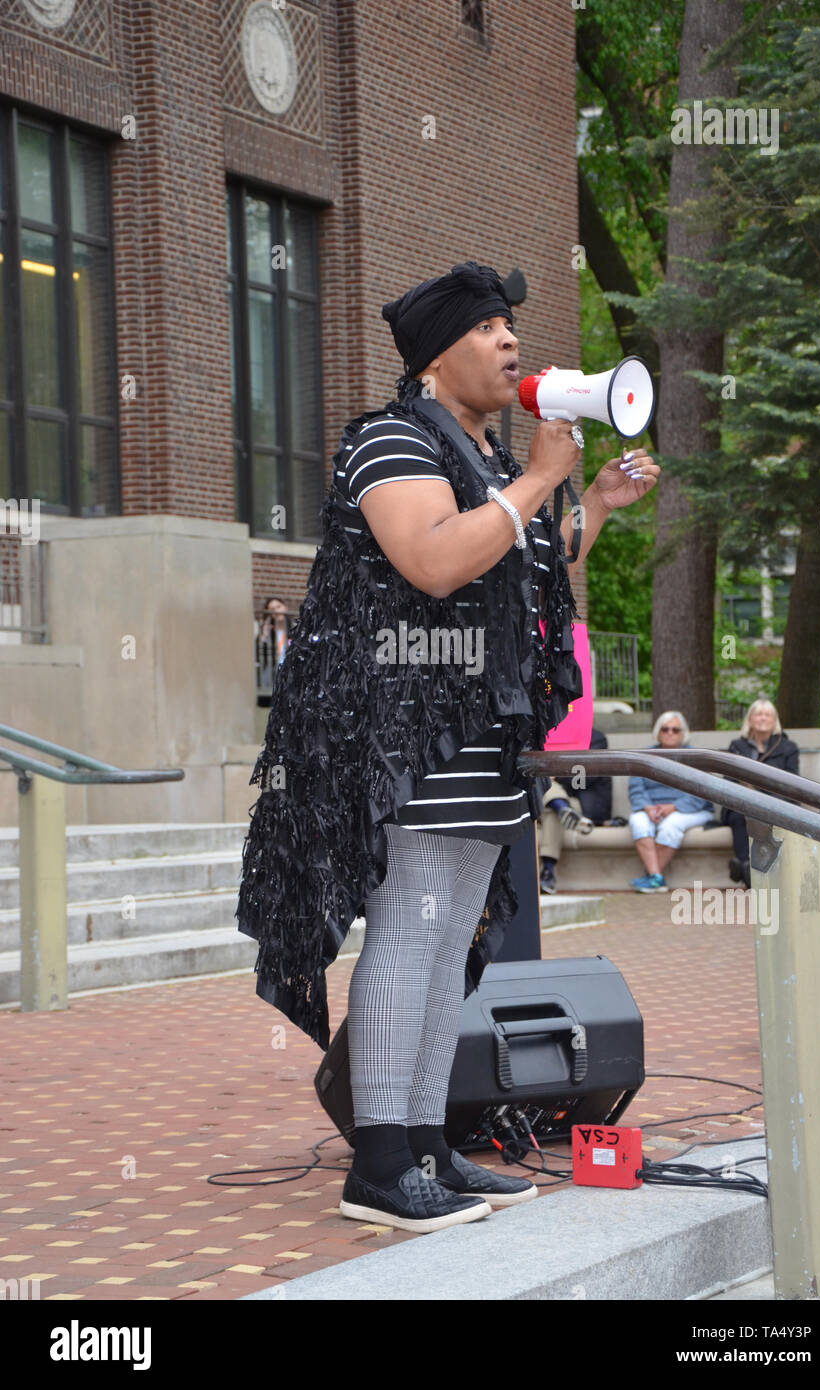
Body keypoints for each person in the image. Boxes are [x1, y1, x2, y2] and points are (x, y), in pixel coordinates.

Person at [235, 260, 659, 1234]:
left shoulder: (494, 466)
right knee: (408, 937)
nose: (514, 342)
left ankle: (427, 1144)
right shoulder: (388, 441)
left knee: (448, 947)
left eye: (515, 327)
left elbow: (519, 566)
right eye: (491, 328)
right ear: (437, 357)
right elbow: (431, 560)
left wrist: (583, 496)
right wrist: (545, 478)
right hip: (403, 739)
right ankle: (380, 1162)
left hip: (479, 739)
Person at [627, 711, 713, 892]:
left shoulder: (696, 756)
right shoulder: (644, 756)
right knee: (638, 821)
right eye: (665, 729)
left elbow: (701, 791)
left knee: (672, 825)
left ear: (683, 733)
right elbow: (636, 788)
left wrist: (673, 807)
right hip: (652, 809)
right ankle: (657, 878)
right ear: (658, 732)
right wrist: (648, 808)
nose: (670, 733)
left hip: (691, 811)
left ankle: (651, 877)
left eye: (675, 730)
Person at [723, 699, 799, 888]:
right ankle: (746, 864)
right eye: (758, 714)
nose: (763, 718)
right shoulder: (737, 747)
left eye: (767, 714)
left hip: (777, 802)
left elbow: (794, 783)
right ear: (749, 719)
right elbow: (729, 781)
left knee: (775, 815)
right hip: (743, 802)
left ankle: (747, 872)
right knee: (739, 815)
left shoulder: (788, 748)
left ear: (775, 721)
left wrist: (769, 802)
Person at [538, 728, 612, 894]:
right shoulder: (544, 734)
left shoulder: (596, 738)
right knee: (544, 785)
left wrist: (554, 774)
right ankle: (547, 872)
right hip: (539, 804)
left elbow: (587, 774)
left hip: (577, 803)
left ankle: (561, 809)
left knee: (551, 801)